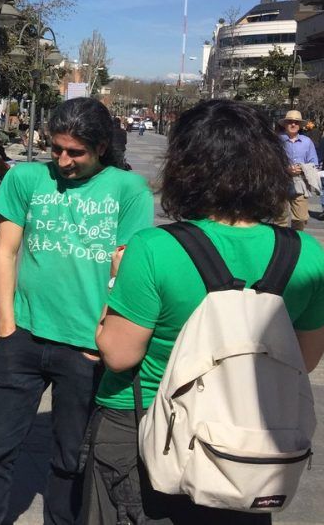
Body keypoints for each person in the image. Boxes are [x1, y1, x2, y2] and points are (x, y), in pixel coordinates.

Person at [87, 100, 324, 524]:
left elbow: (120, 354)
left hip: (147, 425)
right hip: (248, 441)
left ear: (185, 167)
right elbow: (303, 360)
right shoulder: (306, 254)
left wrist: (113, 283)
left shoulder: (154, 247)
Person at [0, 97, 154, 525]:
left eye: (75, 152)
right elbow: (7, 248)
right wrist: (6, 321)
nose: (64, 161)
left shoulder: (130, 192)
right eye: (56, 149)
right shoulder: (26, 178)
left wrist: (105, 338)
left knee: (72, 459)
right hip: (24, 339)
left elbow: (125, 272)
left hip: (86, 348)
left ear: (102, 147)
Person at [275, 110, 319, 231]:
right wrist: (286, 169)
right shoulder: (277, 141)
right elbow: (271, 161)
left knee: (300, 218)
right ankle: (281, 242)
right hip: (281, 181)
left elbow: (313, 162)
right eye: (290, 122)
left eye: (296, 122)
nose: (293, 124)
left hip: (300, 182)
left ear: (300, 125)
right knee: (280, 217)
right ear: (285, 124)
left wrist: (302, 168)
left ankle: (297, 241)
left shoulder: (307, 142)